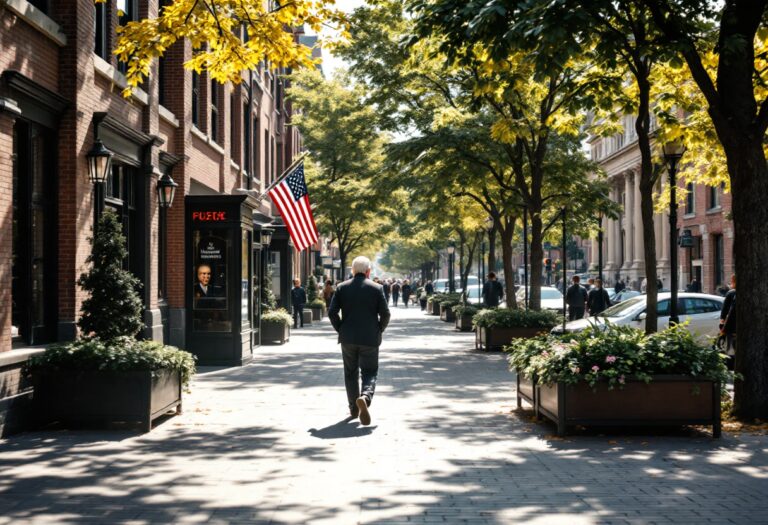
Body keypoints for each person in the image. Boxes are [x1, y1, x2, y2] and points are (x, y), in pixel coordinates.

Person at [328, 256, 391, 426]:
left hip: (348, 337)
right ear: (369, 271)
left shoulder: (341, 288)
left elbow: (332, 312)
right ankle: (365, 397)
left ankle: (354, 409)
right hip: (370, 337)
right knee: (370, 371)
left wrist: (340, 328)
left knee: (350, 373)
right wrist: (379, 329)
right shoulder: (377, 288)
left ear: (353, 271)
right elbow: (385, 314)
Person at [719, 274, 736, 359]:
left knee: (730, 348)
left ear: (733, 282)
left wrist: (722, 326)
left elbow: (724, 312)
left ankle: (731, 363)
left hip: (731, 326)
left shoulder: (731, 293)